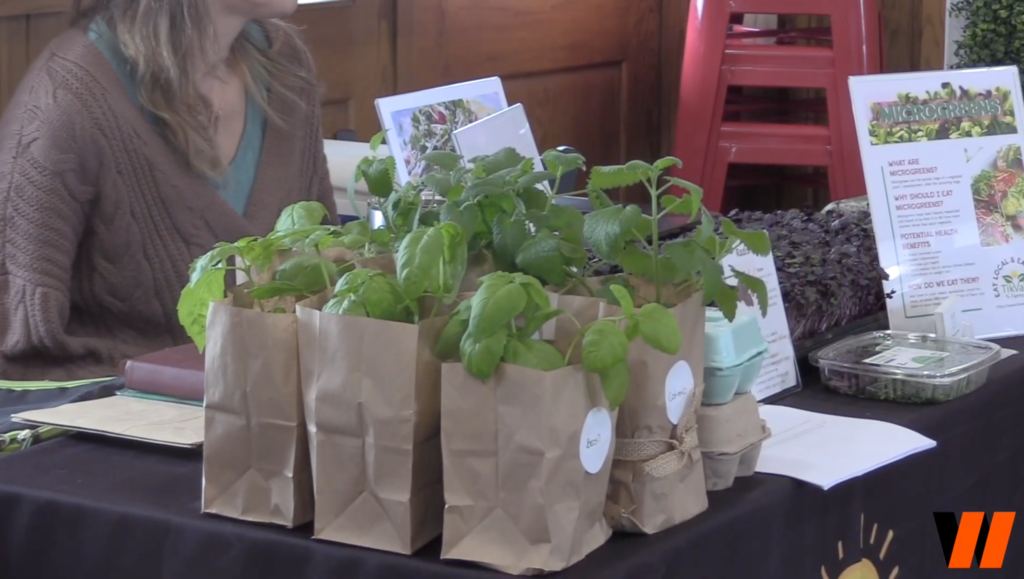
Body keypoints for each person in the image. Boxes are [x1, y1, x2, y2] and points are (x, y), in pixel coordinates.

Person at [0, 0, 337, 380]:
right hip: (118, 416)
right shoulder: (66, 101)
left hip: (271, 402)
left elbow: (324, 264)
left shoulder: (285, 62)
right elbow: (15, 353)